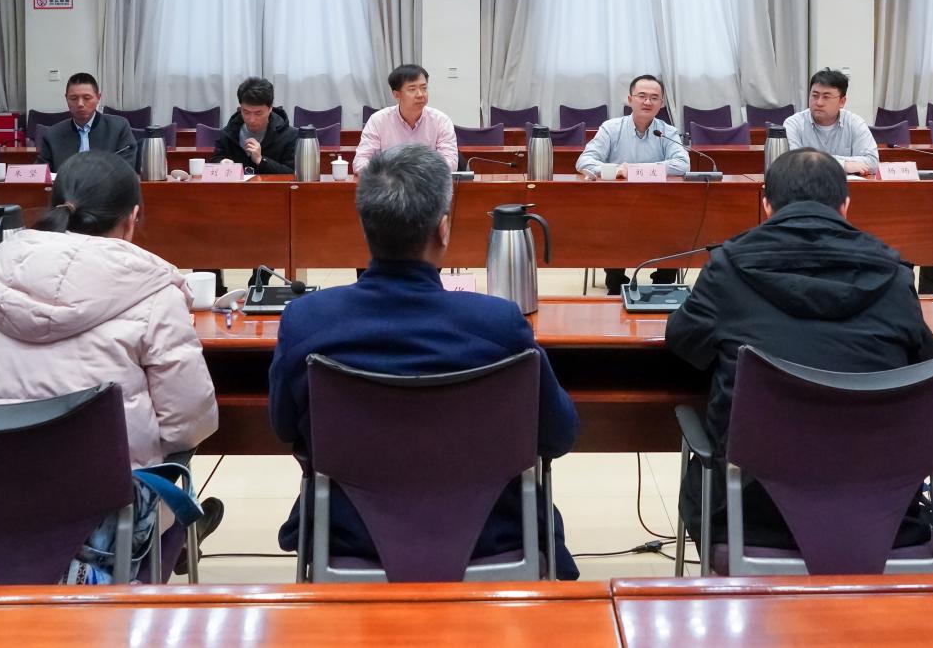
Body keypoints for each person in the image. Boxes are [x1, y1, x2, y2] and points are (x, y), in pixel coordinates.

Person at [268, 143, 581, 577]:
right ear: (443, 229)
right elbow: (559, 435)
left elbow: (284, 427)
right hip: (492, 535)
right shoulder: (498, 324)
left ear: (365, 226)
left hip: (349, 535)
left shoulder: (307, 321)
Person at [0, 151, 222, 579]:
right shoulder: (156, 295)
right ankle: (175, 540)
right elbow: (189, 424)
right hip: (100, 537)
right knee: (175, 466)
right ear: (133, 218)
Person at [665, 148, 933, 549]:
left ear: (766, 205)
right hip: (880, 509)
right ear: (845, 206)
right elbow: (924, 361)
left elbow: (683, 340)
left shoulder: (727, 268)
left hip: (752, 511)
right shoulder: (895, 275)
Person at [575, 74, 691, 295]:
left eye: (654, 98)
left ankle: (664, 285)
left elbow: (682, 164)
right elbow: (584, 162)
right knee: (608, 222)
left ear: (661, 103)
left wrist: (637, 170)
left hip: (660, 205)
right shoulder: (611, 128)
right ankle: (616, 285)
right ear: (630, 99)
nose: (647, 102)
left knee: (678, 222)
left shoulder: (667, 132)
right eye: (642, 96)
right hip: (617, 205)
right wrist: (617, 170)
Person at [354, 64, 458, 173]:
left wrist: (417, 173)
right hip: (389, 181)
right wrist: (387, 175)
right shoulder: (378, 121)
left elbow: (450, 162)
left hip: (428, 182)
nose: (420, 94)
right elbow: (360, 161)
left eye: (424, 88)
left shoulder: (441, 121)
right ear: (396, 94)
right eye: (412, 89)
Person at [782, 69, 879, 175]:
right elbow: (793, 162)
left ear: (842, 101)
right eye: (815, 96)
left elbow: (872, 162)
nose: (819, 103)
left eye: (826, 97)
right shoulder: (793, 124)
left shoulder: (855, 123)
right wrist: (843, 165)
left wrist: (813, 159)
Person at [34, 73, 137, 171]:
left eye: (87, 98)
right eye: (73, 98)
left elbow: (126, 169)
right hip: (66, 184)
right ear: (66, 98)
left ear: (98, 98)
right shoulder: (53, 134)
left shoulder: (118, 127)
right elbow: (40, 172)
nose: (80, 104)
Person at [211, 77, 299, 174]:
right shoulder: (228, 133)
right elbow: (215, 160)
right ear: (240, 108)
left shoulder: (290, 136)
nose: (252, 120)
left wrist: (261, 160)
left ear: (270, 108)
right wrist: (221, 163)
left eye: (258, 113)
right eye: (246, 112)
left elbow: (291, 172)